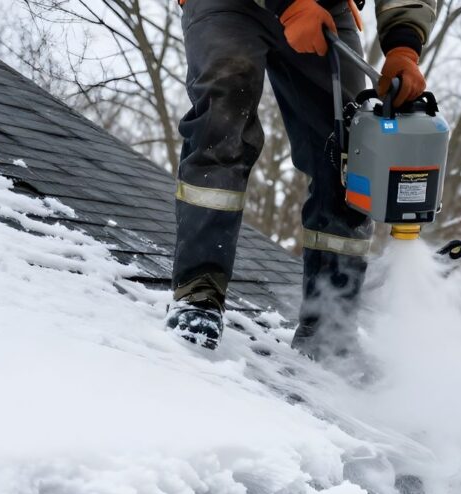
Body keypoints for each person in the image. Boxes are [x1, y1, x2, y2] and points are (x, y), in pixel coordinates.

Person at [165, 0, 436, 359]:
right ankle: (198, 294)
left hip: (326, 6)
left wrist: (404, 46)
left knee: (348, 148)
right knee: (222, 116)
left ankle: (330, 327)